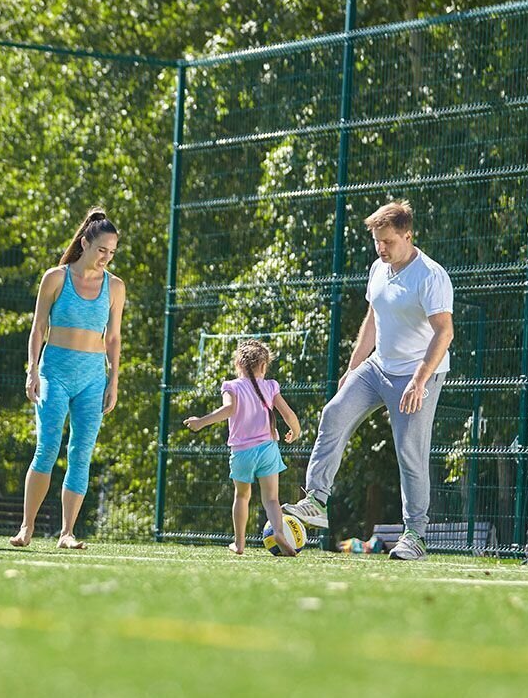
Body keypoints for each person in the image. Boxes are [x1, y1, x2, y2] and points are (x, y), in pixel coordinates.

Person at [283, 200, 454, 561]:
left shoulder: (430, 275)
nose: (381, 248)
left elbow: (444, 333)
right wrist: (352, 367)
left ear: (408, 236)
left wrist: (420, 379)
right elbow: (372, 319)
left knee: (410, 454)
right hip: (377, 368)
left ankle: (416, 536)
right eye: (377, 241)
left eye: (388, 241)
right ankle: (316, 500)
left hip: (418, 374)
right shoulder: (379, 268)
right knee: (334, 413)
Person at [10, 206, 126, 550]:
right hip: (54, 371)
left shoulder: (115, 287)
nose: (106, 257)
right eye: (102, 249)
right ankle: (26, 528)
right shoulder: (56, 277)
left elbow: (115, 338)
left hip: (93, 376)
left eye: (112, 252)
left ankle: (67, 532)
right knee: (46, 449)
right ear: (85, 243)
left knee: (81, 452)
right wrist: (32, 369)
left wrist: (114, 380)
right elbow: (37, 329)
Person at [184, 340, 302, 556]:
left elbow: (228, 409)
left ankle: (239, 544)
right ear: (264, 366)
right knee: (272, 498)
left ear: (238, 364)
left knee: (242, 497)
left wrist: (201, 421)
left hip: (242, 451)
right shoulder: (271, 386)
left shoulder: (232, 386)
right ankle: (278, 532)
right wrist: (296, 431)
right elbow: (288, 414)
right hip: (268, 448)